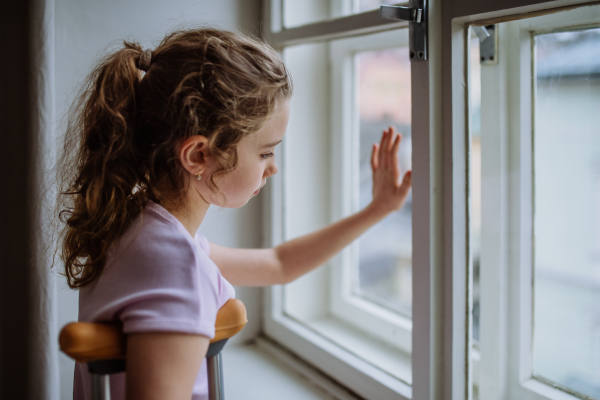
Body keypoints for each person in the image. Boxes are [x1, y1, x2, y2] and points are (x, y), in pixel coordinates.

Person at [57, 28, 412, 400]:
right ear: (199, 156)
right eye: (265, 152)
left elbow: (279, 263)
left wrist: (377, 210)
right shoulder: (176, 266)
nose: (274, 168)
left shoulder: (141, 228)